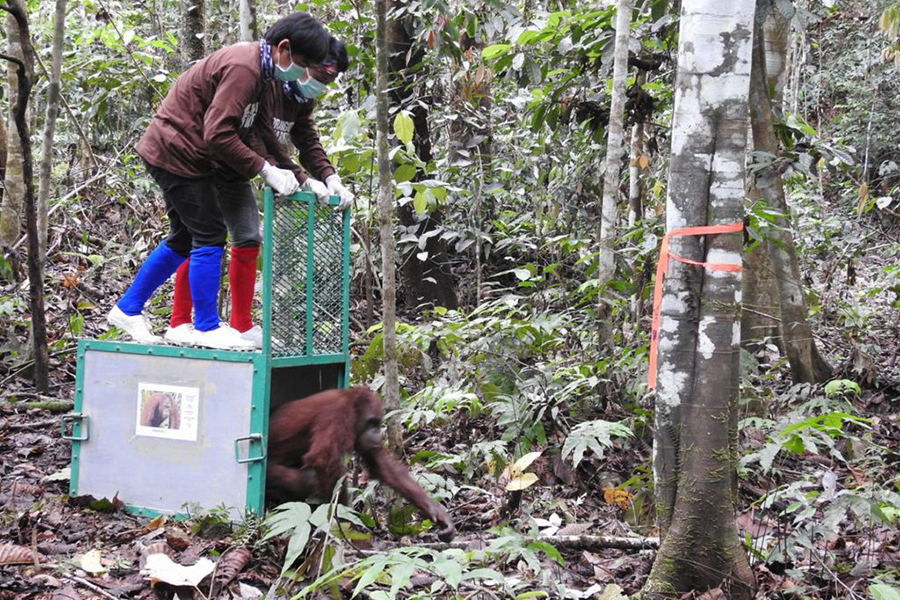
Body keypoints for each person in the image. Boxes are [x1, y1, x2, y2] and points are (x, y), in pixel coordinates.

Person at [107, 13, 331, 350]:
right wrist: (263, 169)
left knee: (184, 238)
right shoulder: (245, 69)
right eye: (301, 64)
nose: (301, 73)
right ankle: (206, 326)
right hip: (178, 151)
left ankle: (128, 308)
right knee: (209, 234)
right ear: (284, 48)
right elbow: (217, 133)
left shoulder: (263, 72)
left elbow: (259, 131)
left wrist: (298, 175)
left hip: (181, 153)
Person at [163, 36, 354, 349]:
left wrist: (329, 177)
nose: (320, 86)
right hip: (208, 163)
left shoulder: (301, 97)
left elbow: (306, 138)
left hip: (238, 171)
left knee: (248, 236)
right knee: (198, 237)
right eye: (318, 77)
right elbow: (252, 134)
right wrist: (284, 173)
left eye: (327, 82)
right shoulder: (269, 80)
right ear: (302, 63)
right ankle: (180, 320)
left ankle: (240, 324)